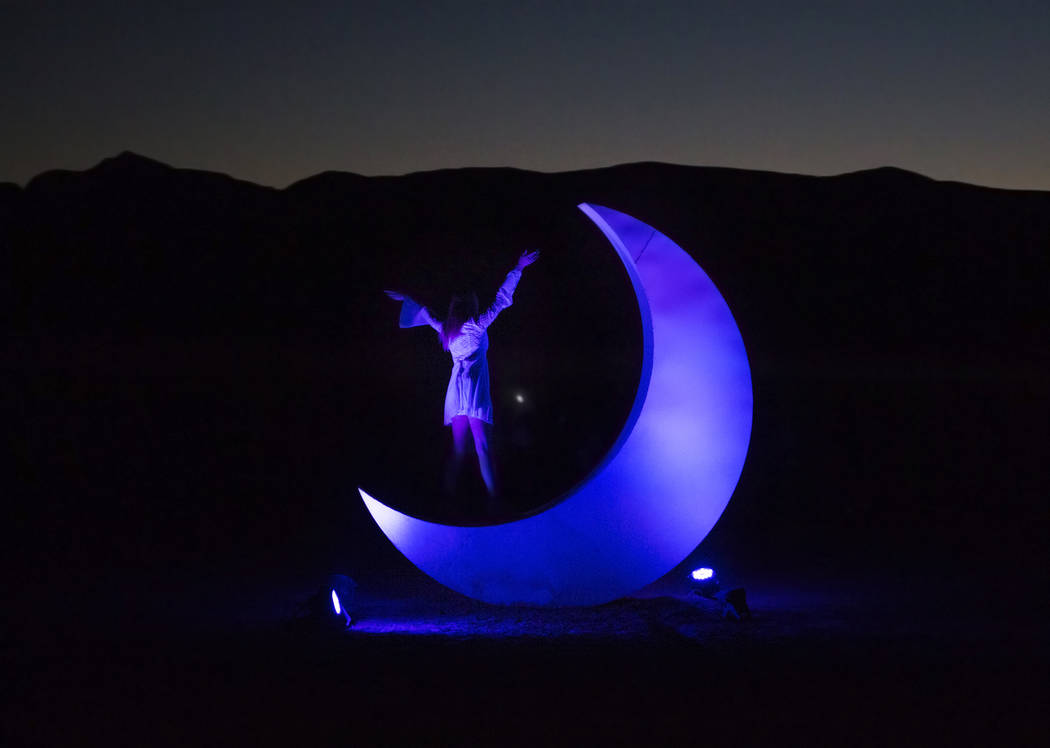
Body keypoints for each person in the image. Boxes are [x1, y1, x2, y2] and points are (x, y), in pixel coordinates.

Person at [386, 250, 540, 501]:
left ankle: (445, 499)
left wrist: (405, 297)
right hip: (475, 388)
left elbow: (425, 311)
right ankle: (494, 503)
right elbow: (501, 299)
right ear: (472, 305)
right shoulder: (476, 326)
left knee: (458, 451)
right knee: (483, 448)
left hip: (456, 392)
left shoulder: (447, 329)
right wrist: (519, 268)